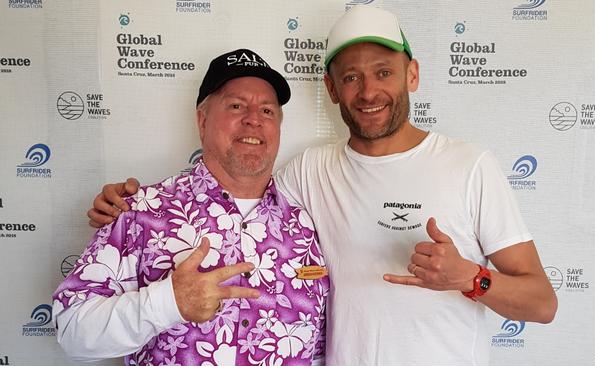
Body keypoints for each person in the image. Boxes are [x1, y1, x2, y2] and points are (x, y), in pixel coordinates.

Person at [88, 6, 557, 366]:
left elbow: (542, 303)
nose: (368, 91)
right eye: (350, 77)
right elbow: (237, 188)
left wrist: (471, 279)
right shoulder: (307, 173)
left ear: (412, 74)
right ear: (332, 90)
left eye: (383, 72)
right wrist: (125, 207)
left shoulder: (471, 165)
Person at [52, 49, 329, 366]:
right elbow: (72, 329)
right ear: (202, 120)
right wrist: (169, 302)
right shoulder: (141, 212)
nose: (254, 118)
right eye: (236, 105)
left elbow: (320, 350)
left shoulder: (308, 227)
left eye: (267, 111)